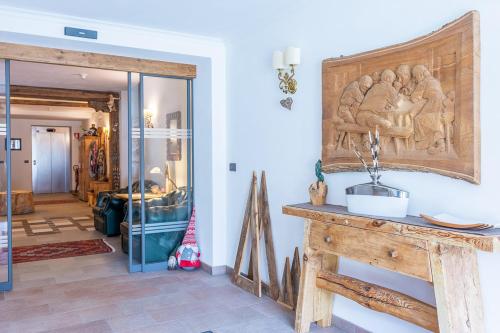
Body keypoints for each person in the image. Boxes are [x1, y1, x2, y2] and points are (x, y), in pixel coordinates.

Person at [410, 65, 446, 154]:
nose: (415, 79)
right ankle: (438, 143)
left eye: (415, 76)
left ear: (420, 74)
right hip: (442, 102)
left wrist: (411, 94)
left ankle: (425, 143)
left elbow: (414, 97)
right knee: (433, 120)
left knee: (419, 119)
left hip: (434, 102)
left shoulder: (424, 82)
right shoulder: (434, 80)